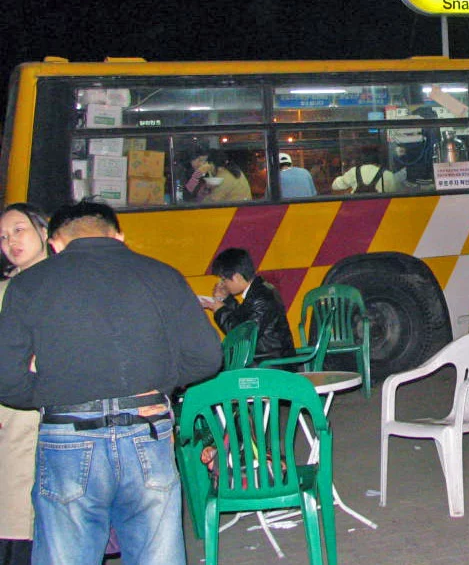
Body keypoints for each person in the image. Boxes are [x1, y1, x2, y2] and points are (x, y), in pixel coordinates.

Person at [0, 201, 222, 565]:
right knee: (156, 554)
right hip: (146, 429)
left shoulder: (27, 286)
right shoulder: (162, 275)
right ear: (119, 236)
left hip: (66, 436)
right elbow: (206, 357)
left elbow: (8, 380)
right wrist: (157, 384)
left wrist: (55, 396)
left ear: (55, 243)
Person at [0, 204, 50, 565]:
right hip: (13, 420)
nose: (10, 242)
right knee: (17, 523)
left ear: (44, 232)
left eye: (19, 230)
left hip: (68, 421)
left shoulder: (69, 283)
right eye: (3, 237)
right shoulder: (5, 292)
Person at [200, 248, 297, 362]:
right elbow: (245, 319)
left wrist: (219, 310)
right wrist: (226, 300)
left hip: (270, 364)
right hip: (266, 357)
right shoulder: (259, 290)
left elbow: (243, 337)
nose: (223, 284)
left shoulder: (262, 298)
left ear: (237, 277)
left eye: (224, 280)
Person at [331, 162, 398, 194]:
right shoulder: (388, 175)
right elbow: (395, 197)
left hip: (357, 211)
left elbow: (335, 186)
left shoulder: (353, 171)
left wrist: (348, 190)